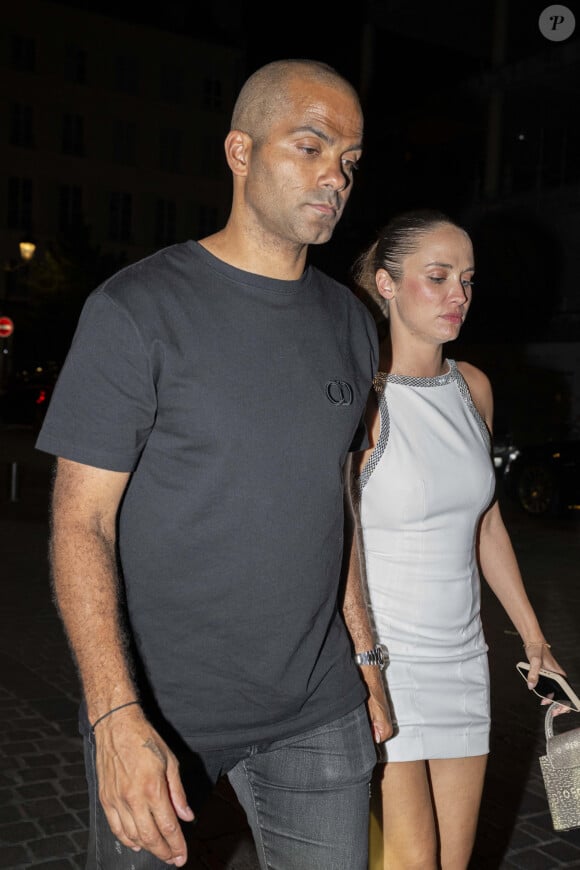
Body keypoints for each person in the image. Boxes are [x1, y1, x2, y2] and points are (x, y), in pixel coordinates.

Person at [35, 58, 392, 870]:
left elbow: (335, 498)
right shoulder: (135, 309)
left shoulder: (351, 320)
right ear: (240, 151)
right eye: (311, 146)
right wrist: (114, 716)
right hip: (160, 713)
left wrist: (364, 657)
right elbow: (79, 522)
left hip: (317, 708)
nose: (334, 176)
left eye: (350, 160)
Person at [347, 208, 569, 870]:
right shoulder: (363, 398)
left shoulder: (473, 388)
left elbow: (485, 522)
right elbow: (338, 541)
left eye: (468, 280)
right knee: (413, 860)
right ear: (387, 284)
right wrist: (363, 665)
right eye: (438, 277)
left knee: (456, 862)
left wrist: (535, 639)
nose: (459, 297)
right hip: (390, 660)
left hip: (464, 661)